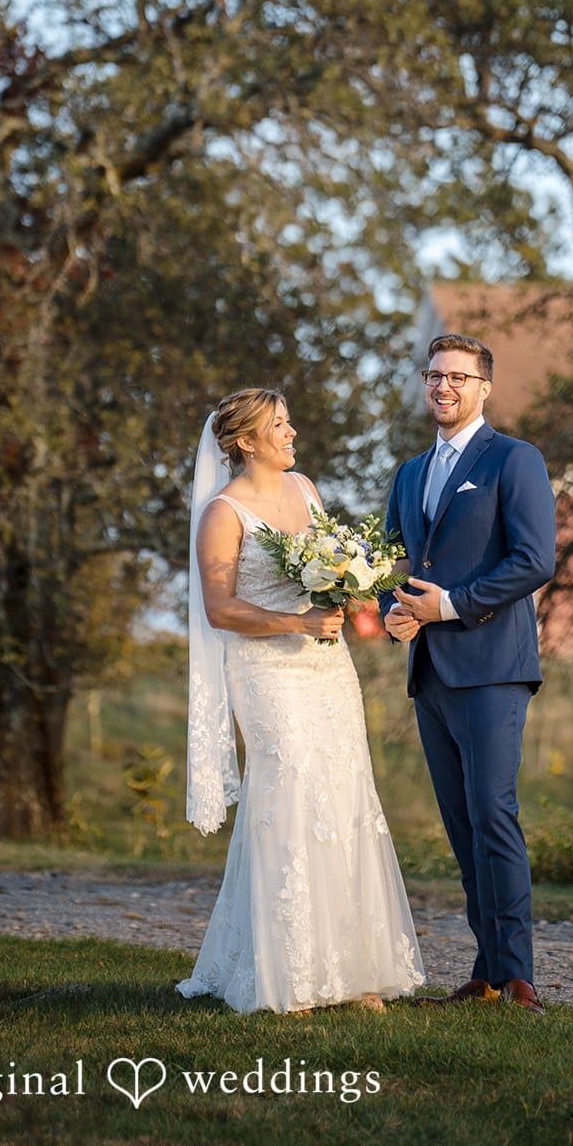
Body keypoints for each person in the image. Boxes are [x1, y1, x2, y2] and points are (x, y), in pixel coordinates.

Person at [176, 387, 424, 1014]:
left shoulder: (306, 489)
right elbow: (219, 608)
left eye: (289, 421)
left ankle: (354, 969)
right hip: (266, 673)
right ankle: (288, 972)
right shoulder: (223, 513)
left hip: (326, 669)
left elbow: (330, 566)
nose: (291, 433)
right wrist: (296, 624)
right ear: (244, 442)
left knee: (343, 797)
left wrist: (349, 586)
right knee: (287, 797)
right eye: (277, 425)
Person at [381, 335, 555, 1014]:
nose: (443, 386)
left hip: (491, 669)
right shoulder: (408, 473)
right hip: (429, 675)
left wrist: (447, 606)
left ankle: (516, 976)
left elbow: (534, 560)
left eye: (457, 376)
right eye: (434, 375)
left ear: (483, 387)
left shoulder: (514, 459)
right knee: (461, 827)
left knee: (493, 814)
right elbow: (394, 567)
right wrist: (392, 613)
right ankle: (485, 973)